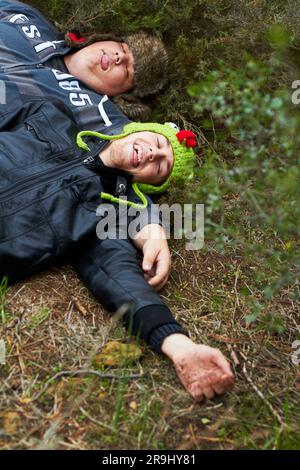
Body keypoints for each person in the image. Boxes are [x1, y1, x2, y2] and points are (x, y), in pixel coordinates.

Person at [0, 90, 234, 402]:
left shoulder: (104, 215)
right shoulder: (48, 114)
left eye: (161, 167)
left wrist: (179, 345)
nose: (154, 154)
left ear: (150, 186)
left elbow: (119, 278)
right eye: (160, 143)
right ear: (139, 129)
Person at [0, 0, 168, 119]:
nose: (120, 57)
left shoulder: (73, 118)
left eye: (127, 71)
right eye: (124, 48)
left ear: (123, 97)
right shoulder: (29, 18)